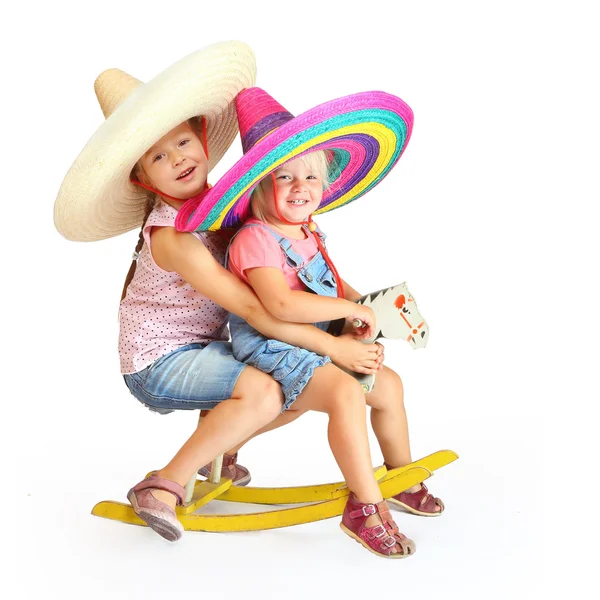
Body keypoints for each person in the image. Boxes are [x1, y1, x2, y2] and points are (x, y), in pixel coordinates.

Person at [54, 44, 382, 543]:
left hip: (209, 347)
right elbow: (254, 305)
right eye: (158, 157)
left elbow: (286, 265)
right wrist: (333, 343)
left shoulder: (226, 207)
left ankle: (222, 443)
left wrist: (354, 306)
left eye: (182, 142)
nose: (178, 159)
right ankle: (164, 485)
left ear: (203, 138)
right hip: (157, 359)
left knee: (290, 379)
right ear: (141, 177)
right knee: (267, 391)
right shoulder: (174, 237)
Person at [175, 88, 443, 558]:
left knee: (389, 387)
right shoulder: (254, 241)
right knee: (344, 395)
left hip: (317, 339)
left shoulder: (308, 231)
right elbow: (279, 305)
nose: (301, 187)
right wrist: (347, 314)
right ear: (258, 186)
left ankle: (401, 475)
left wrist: (374, 307)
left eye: (311, 176)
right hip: (273, 344)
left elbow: (335, 287)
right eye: (284, 177)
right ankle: (363, 505)